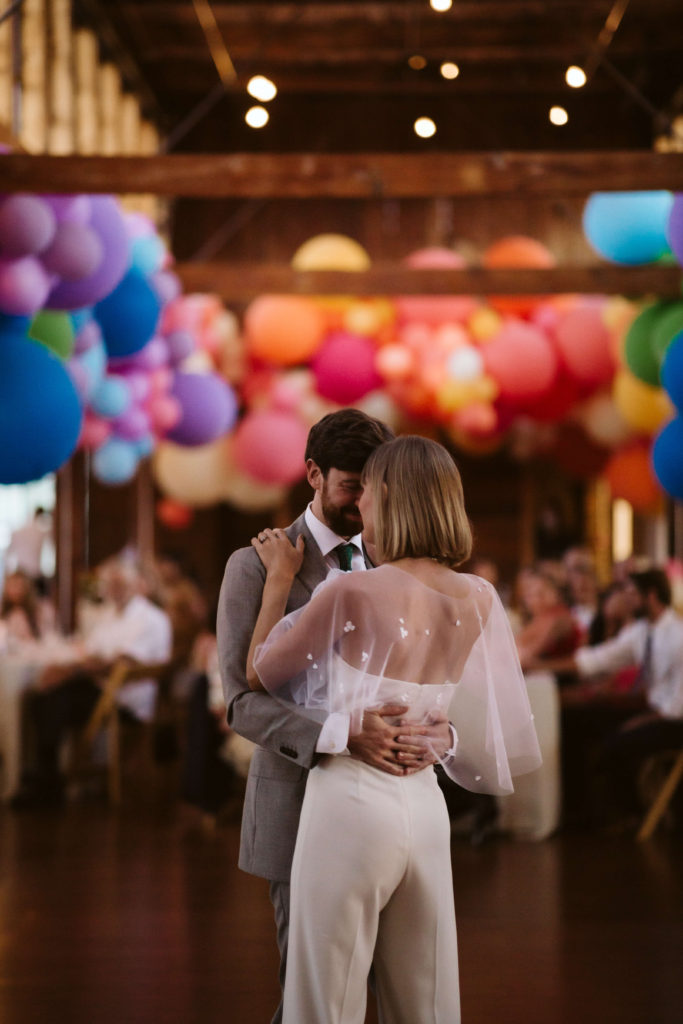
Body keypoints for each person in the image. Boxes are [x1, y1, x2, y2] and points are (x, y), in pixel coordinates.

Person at [245, 436, 542, 1024]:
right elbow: (489, 723)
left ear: (391, 501)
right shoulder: (479, 598)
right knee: (427, 999)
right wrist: (446, 739)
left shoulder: (351, 589)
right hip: (427, 807)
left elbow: (260, 677)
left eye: (370, 495)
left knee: (324, 1000)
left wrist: (279, 580)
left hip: (349, 804)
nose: (362, 511)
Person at [217, 409, 447, 1024]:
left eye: (375, 487)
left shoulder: (397, 561)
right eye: (351, 485)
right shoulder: (255, 566)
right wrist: (343, 737)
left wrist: (437, 733)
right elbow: (242, 700)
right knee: (312, 995)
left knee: (404, 989)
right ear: (314, 474)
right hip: (299, 805)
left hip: (399, 811)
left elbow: (431, 679)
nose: (364, 501)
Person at [11, 556, 172, 808]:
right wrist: (70, 666)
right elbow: (88, 650)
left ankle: (49, 783)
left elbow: (119, 661)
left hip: (124, 698)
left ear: (134, 584)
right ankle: (45, 775)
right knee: (38, 696)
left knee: (53, 699)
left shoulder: (150, 618)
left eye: (120, 583)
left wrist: (71, 670)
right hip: (98, 686)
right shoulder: (110, 614)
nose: (114, 589)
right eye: (110, 583)